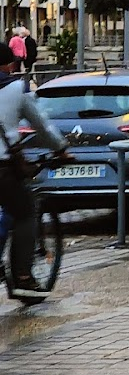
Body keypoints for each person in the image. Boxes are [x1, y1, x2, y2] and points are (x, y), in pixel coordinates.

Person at [0, 43, 71, 301]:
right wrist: (61, 148)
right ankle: (22, 278)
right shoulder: (16, 89)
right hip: (4, 168)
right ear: (9, 66)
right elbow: (41, 124)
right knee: (26, 212)